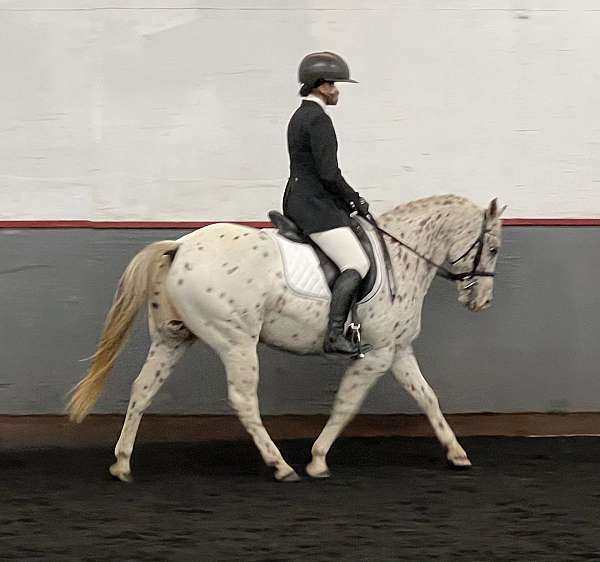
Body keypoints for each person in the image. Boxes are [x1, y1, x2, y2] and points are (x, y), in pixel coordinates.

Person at [283, 51, 371, 355]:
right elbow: (328, 173)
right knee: (357, 263)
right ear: (321, 86)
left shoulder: (298, 116)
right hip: (313, 205)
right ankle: (335, 334)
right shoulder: (319, 120)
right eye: (334, 84)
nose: (337, 90)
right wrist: (354, 199)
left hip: (299, 198)